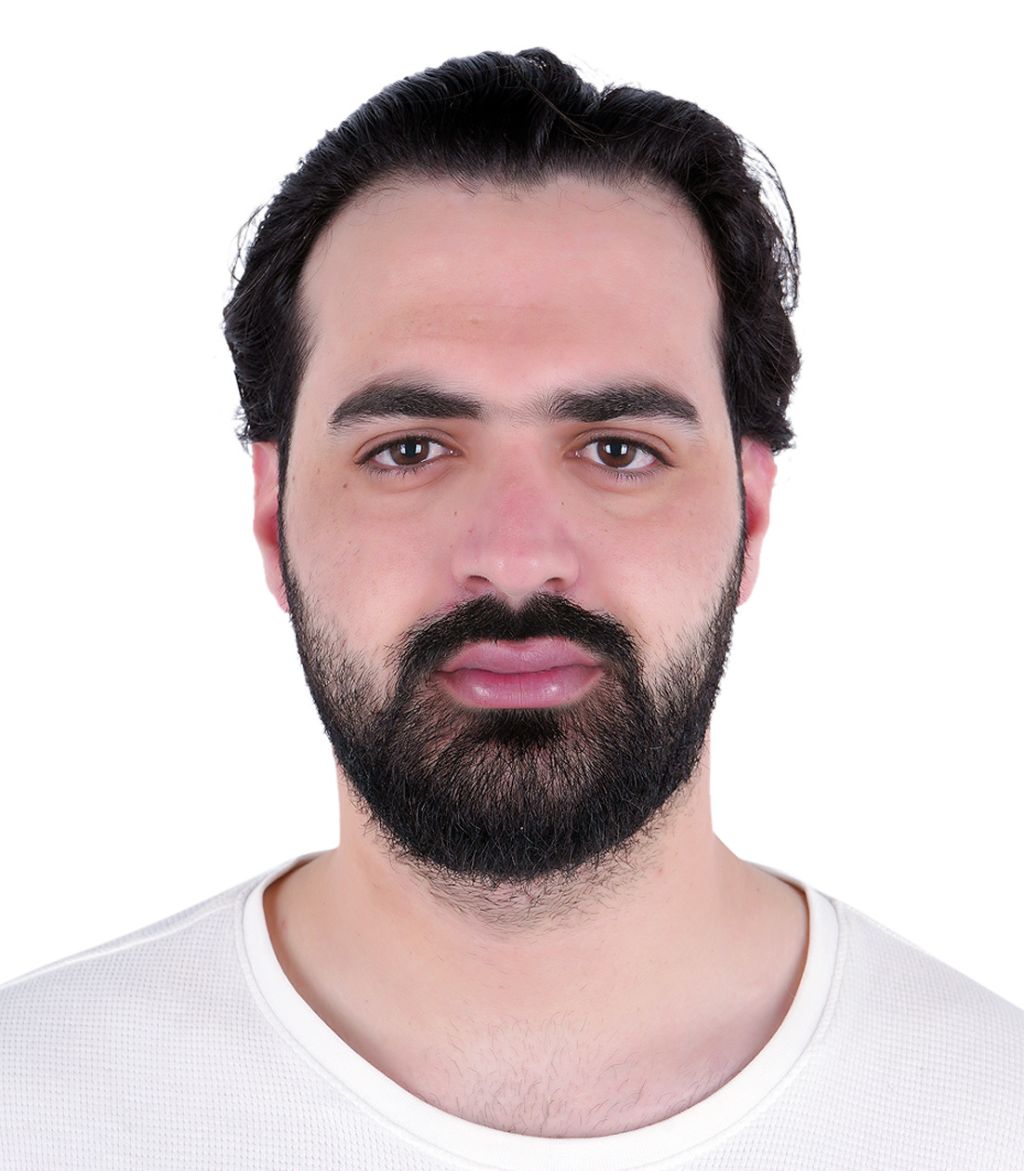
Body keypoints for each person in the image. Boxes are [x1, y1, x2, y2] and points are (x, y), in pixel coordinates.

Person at [2, 46, 1021, 1170]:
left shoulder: (991, 1114)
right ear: (271, 516)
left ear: (752, 512)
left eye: (619, 449)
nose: (517, 558)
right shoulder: (33, 1107)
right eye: (410, 449)